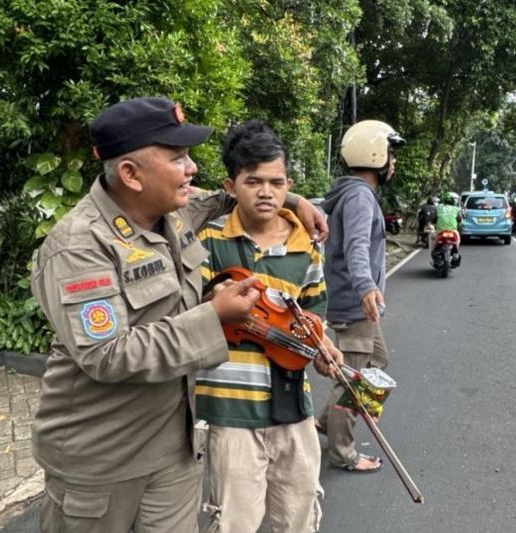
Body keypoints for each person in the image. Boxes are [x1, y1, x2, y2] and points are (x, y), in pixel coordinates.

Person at [29, 97, 328, 532]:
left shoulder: (178, 212)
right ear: (131, 175)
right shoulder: (79, 245)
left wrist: (297, 201)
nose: (191, 169)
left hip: (173, 446)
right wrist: (215, 317)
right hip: (102, 459)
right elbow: (107, 355)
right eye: (177, 157)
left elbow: (240, 192)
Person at [195, 120, 343, 533]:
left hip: (294, 407)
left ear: (288, 185)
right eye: (252, 181)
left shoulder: (305, 247)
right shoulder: (209, 240)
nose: (265, 192)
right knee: (235, 522)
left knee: (299, 515)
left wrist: (324, 351)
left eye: (276, 183)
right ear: (230, 185)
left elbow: (314, 318)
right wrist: (218, 306)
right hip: (231, 409)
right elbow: (193, 311)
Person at [314, 119, 405, 473]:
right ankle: (343, 452)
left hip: (354, 302)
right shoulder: (359, 197)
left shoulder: (353, 193)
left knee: (376, 363)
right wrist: (367, 287)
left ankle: (324, 422)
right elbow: (355, 246)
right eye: (391, 154)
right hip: (353, 304)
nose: (393, 162)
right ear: (376, 154)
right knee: (355, 381)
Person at [429, 191, 463, 265]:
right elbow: (460, 220)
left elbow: (433, 218)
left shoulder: (438, 208)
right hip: (453, 231)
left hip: (440, 231)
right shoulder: (457, 209)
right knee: (458, 239)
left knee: (431, 237)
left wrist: (432, 222)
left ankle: (433, 252)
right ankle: (456, 252)